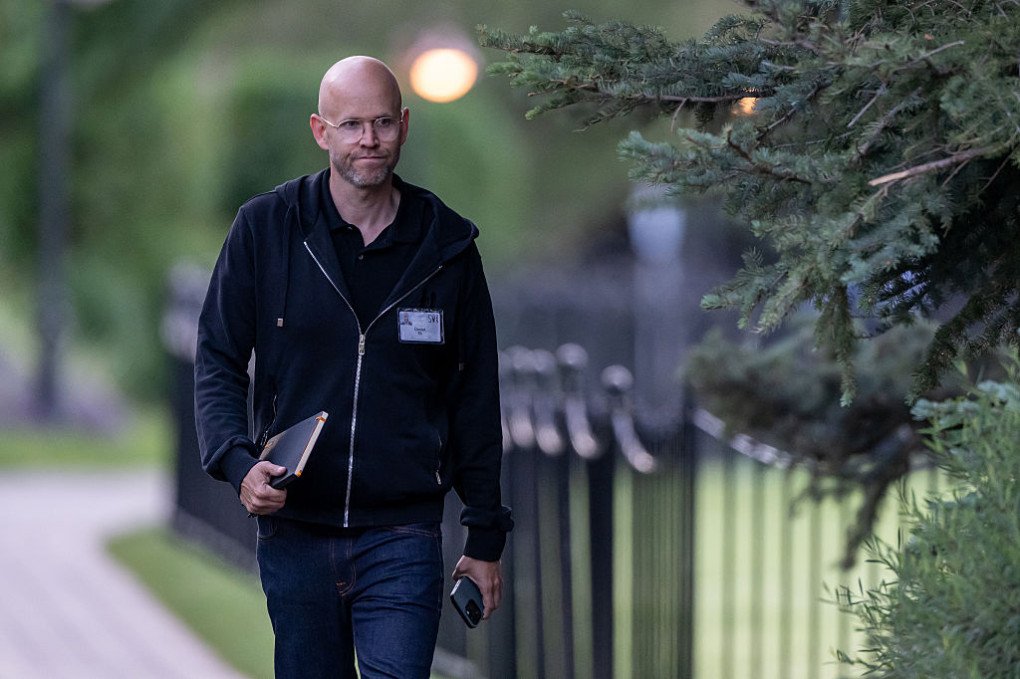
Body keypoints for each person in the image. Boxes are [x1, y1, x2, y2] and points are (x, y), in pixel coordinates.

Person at [194, 55, 513, 679]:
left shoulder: (448, 250)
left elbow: (476, 398)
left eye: (383, 123)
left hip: (403, 534)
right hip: (297, 533)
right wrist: (237, 464)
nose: (368, 140)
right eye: (351, 125)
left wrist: (483, 538)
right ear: (320, 131)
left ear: (405, 125)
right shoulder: (266, 229)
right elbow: (218, 357)